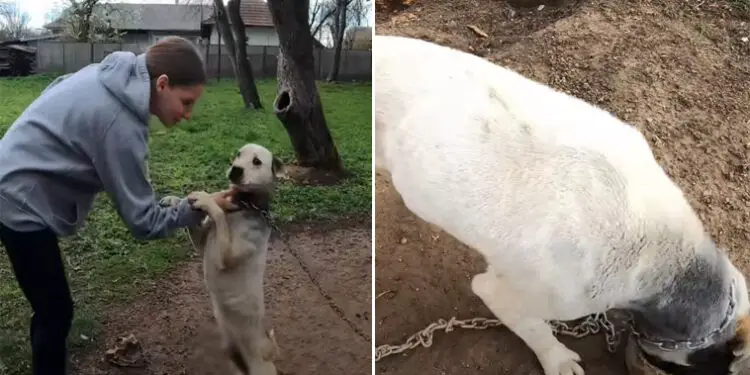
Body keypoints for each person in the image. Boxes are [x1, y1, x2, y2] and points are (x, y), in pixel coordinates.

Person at [0, 36, 233, 375]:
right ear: (163, 84)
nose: (187, 115)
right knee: (55, 310)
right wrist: (197, 207)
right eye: (186, 102)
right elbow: (143, 222)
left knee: (51, 307)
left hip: (9, 173)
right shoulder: (119, 123)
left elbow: (55, 86)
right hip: (17, 198)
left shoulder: (104, 74)